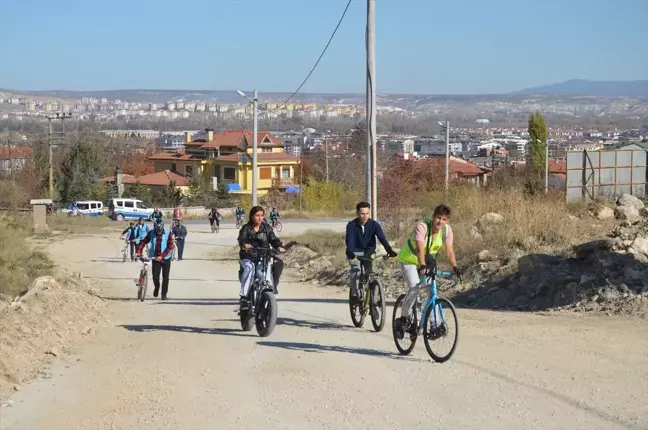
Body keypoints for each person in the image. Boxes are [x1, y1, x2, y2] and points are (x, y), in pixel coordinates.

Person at [393, 204, 461, 339]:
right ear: (433, 217)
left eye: (444, 219)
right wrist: (422, 265)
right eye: (438, 218)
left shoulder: (447, 231)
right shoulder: (422, 226)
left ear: (447, 220)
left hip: (428, 262)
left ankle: (434, 325)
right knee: (415, 289)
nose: (440, 222)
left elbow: (449, 251)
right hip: (410, 260)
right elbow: (420, 248)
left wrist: (455, 267)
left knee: (432, 293)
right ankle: (402, 319)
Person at [345, 201, 398, 304]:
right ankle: (355, 295)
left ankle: (375, 300)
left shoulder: (374, 225)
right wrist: (350, 252)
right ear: (357, 213)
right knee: (356, 272)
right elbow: (350, 241)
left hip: (369, 253)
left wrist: (389, 250)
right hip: (355, 253)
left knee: (374, 274)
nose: (365, 216)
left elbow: (382, 238)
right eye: (362, 213)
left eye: (367, 213)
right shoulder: (351, 225)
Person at [237, 206, 285, 309]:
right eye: (257, 215)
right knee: (250, 269)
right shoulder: (246, 228)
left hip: (264, 256)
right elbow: (241, 240)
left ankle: (272, 287)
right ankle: (244, 298)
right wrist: (244, 245)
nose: (260, 218)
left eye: (262, 215)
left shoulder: (267, 228)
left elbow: (274, 239)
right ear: (252, 216)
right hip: (248, 257)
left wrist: (279, 246)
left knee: (278, 263)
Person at [136, 219, 174, 300]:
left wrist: (162, 256)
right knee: (155, 277)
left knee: (165, 277)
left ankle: (164, 294)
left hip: (166, 258)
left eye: (160, 231)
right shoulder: (151, 233)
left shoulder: (168, 234)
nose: (158, 233)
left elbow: (170, 246)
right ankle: (157, 287)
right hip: (155, 257)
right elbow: (144, 242)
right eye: (157, 231)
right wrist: (138, 251)